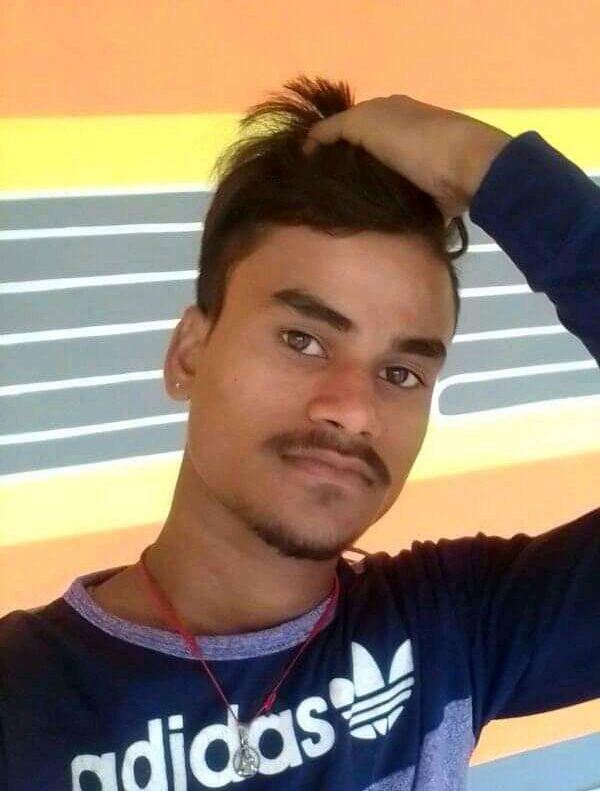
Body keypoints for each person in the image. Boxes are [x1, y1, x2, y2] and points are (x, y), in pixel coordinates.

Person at [1, 76, 598, 790]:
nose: (353, 410)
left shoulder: (453, 628)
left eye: (401, 372)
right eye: (303, 340)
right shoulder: (21, 696)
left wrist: (483, 164)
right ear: (190, 355)